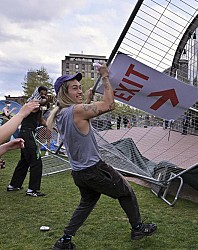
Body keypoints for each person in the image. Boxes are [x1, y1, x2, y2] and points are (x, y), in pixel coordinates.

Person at [47, 64, 157, 250]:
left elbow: (81, 118)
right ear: (64, 93)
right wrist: (105, 77)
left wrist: (87, 99)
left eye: (80, 87)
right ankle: (138, 228)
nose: (79, 90)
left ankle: (65, 240)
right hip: (95, 170)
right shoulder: (76, 111)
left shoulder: (60, 114)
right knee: (126, 192)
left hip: (79, 173)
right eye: (74, 88)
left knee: (87, 203)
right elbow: (109, 105)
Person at [7, 86, 49, 197]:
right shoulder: (32, 102)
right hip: (27, 133)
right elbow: (40, 103)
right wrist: (45, 99)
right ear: (38, 93)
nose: (44, 95)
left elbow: (40, 120)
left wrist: (51, 126)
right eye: (42, 93)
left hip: (27, 133)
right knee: (36, 160)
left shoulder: (38, 107)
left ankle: (14, 185)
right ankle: (32, 190)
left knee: (25, 160)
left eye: (45, 93)